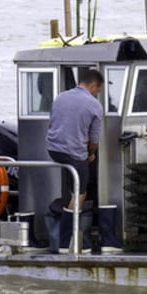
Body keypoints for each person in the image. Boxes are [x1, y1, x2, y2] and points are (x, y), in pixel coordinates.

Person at [46, 69, 104, 214]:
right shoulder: (94, 104)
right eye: (98, 90)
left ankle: (66, 214)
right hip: (74, 153)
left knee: (73, 187)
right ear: (93, 86)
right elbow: (95, 139)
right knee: (80, 194)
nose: (97, 94)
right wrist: (91, 154)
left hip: (53, 149)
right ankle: (68, 233)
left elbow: (53, 122)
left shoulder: (60, 97)